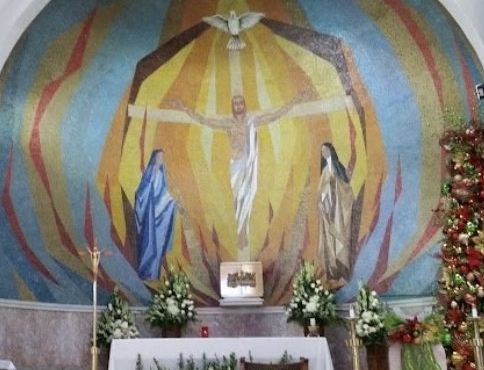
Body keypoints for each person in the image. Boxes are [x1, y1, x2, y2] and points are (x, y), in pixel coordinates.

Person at [167, 92, 309, 251]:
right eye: (235, 103)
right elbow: (204, 120)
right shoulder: (227, 123)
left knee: (248, 197)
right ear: (232, 106)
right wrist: (183, 108)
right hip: (236, 164)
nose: (238, 106)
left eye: (240, 103)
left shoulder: (253, 120)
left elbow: (276, 114)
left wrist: (296, 99)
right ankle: (240, 231)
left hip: (250, 164)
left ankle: (243, 232)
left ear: (244, 104)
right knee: (238, 198)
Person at [316, 142, 355, 287]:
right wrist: (322, 201)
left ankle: (341, 271)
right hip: (327, 212)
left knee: (339, 239)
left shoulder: (337, 167)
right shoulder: (325, 170)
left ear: (331, 151)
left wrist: (335, 188)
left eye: (325, 150)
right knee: (329, 242)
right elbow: (322, 190)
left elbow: (345, 188)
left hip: (338, 211)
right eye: (322, 151)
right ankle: (331, 272)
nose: (323, 153)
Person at [134, 149, 177, 280]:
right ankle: (145, 272)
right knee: (148, 243)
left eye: (162, 158)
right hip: (149, 215)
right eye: (159, 157)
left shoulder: (161, 173)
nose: (161, 160)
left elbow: (163, 192)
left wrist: (171, 201)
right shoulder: (150, 172)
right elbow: (142, 192)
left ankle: (154, 274)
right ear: (154, 158)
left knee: (157, 243)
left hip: (158, 212)